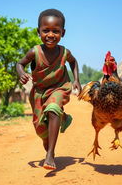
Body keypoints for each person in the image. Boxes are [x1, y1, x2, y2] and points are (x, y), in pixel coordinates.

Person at [16, 9, 81, 170]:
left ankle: (50, 154)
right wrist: (21, 73)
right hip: (39, 92)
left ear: (63, 33)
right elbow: (19, 64)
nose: (51, 35)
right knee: (40, 130)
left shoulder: (65, 53)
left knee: (53, 109)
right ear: (39, 32)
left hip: (59, 88)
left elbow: (73, 62)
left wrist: (76, 80)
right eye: (46, 30)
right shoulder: (34, 52)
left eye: (55, 31)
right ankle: (61, 120)